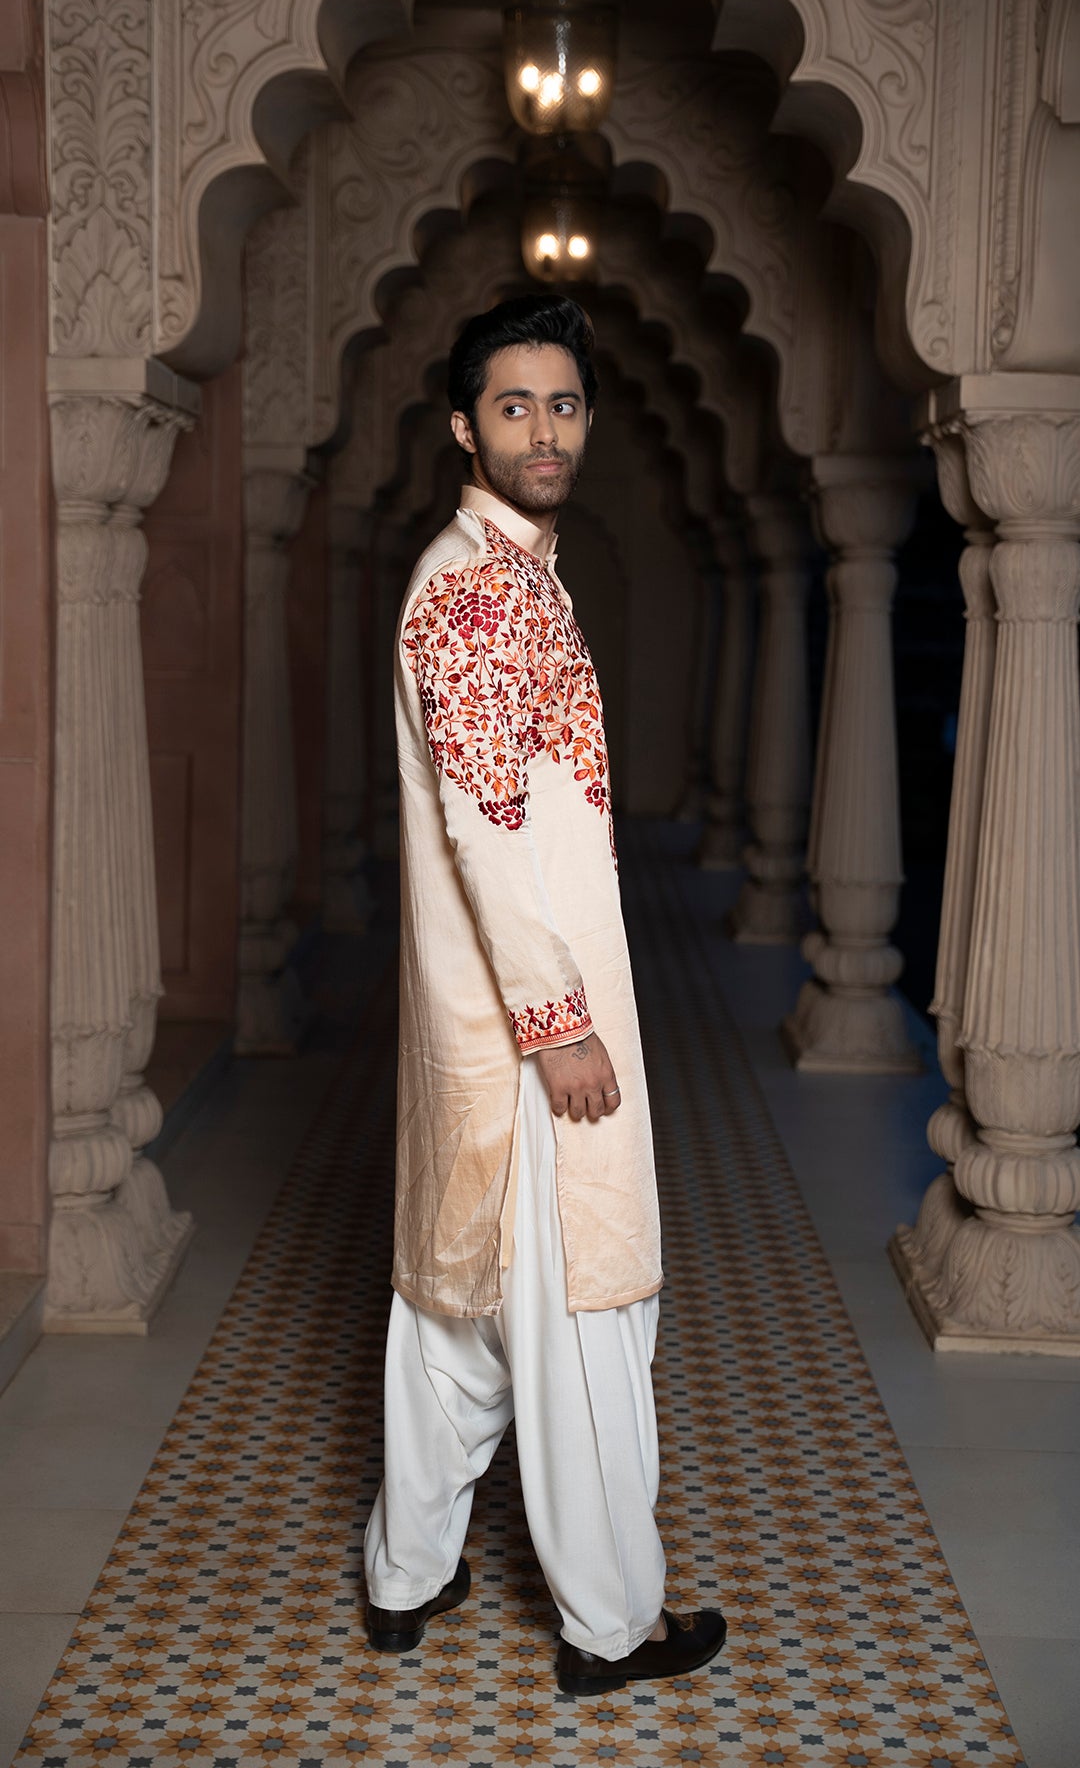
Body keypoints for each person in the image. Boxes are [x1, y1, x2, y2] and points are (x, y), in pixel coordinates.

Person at [362, 293, 726, 1695]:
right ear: (465, 424)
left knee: (455, 1312)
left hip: (485, 1020)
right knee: (582, 1318)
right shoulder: (476, 589)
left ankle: (405, 1578)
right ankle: (611, 1627)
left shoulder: (510, 571)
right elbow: (482, 823)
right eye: (513, 406)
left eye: (563, 404)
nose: (543, 428)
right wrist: (560, 1023)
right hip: (527, 1027)